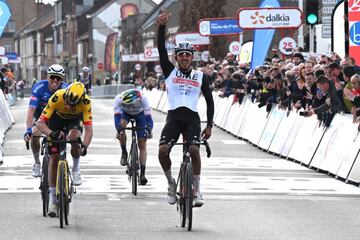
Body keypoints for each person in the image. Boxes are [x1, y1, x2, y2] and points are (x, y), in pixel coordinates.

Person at [157, 10, 214, 207]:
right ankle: (171, 184)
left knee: (194, 150)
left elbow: (209, 101)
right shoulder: (170, 72)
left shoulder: (201, 76)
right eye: (180, 55)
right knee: (163, 151)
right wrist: (162, 26)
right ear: (176, 58)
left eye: (187, 55)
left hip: (192, 119)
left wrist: (209, 126)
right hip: (173, 117)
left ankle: (197, 190)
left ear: (192, 58)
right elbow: (161, 50)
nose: (184, 58)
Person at [36, 82, 93, 217]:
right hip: (56, 119)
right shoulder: (57, 96)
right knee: (54, 159)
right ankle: (53, 201)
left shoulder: (85, 102)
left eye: (72, 104)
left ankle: (75, 169)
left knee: (74, 137)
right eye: (67, 102)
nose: (68, 105)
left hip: (74, 120)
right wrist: (51, 133)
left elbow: (89, 129)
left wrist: (84, 146)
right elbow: (40, 123)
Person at [24, 64, 68, 177]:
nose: (55, 80)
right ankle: (37, 163)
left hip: (56, 116)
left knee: (62, 136)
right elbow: (31, 109)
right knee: (35, 134)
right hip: (40, 115)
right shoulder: (39, 87)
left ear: (62, 80)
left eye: (58, 78)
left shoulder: (65, 89)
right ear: (47, 77)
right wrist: (28, 129)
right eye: (52, 77)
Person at [113, 89, 154, 185]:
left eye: (130, 104)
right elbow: (117, 118)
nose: (130, 107)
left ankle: (143, 173)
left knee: (142, 143)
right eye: (127, 104)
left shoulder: (144, 99)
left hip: (140, 113)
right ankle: (124, 152)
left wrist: (149, 129)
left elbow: (148, 118)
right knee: (121, 126)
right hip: (125, 113)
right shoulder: (118, 99)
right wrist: (119, 130)